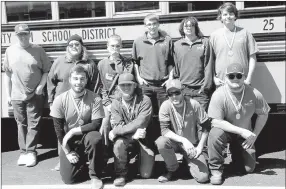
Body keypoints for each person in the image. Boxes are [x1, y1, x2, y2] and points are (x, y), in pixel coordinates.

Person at [207, 63, 270, 185]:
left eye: (238, 76)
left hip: (244, 136)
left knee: (249, 169)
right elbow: (215, 121)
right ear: (225, 78)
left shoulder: (254, 93)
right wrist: (241, 131)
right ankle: (216, 170)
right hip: (226, 132)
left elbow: (263, 114)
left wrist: (255, 135)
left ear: (244, 77)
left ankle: (236, 154)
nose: (235, 79)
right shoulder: (219, 94)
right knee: (214, 134)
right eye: (231, 76)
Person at [47, 34, 100, 171]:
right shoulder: (59, 62)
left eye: (77, 44)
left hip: (84, 104)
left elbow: (95, 84)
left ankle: (85, 158)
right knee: (62, 131)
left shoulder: (89, 64)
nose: (74, 47)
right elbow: (50, 82)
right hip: (63, 104)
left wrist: (95, 102)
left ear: (82, 47)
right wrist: (51, 101)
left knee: (84, 132)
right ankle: (63, 158)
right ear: (67, 47)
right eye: (71, 45)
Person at [3, 23, 52, 167]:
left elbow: (46, 71)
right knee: (20, 124)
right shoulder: (10, 51)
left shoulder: (38, 50)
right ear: (16, 35)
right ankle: (23, 152)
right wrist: (8, 95)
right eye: (20, 34)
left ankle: (31, 152)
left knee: (34, 123)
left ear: (30, 34)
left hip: (35, 93)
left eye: (25, 34)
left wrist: (41, 86)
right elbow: (7, 74)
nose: (23, 37)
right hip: (17, 94)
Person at [50, 65, 105, 189]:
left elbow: (96, 124)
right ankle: (88, 163)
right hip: (69, 140)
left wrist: (74, 131)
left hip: (87, 135)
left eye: (82, 79)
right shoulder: (60, 100)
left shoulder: (95, 98)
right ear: (70, 80)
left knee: (95, 138)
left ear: (86, 80)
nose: (78, 82)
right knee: (69, 179)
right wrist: (68, 152)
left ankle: (95, 175)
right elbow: (59, 131)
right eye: (75, 79)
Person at [155, 79, 211, 183]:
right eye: (170, 94)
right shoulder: (165, 105)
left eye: (177, 92)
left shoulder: (194, 104)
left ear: (183, 91)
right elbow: (164, 130)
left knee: (203, 178)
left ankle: (188, 162)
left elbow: (206, 127)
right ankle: (172, 168)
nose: (174, 96)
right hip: (175, 143)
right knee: (161, 141)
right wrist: (184, 140)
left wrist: (200, 147)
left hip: (192, 145)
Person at [108, 73, 155, 187]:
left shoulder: (145, 100)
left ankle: (138, 158)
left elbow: (140, 123)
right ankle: (121, 174)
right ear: (118, 87)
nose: (126, 87)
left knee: (145, 174)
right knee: (118, 143)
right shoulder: (115, 103)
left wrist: (115, 132)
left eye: (129, 84)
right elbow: (117, 125)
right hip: (128, 138)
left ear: (135, 85)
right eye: (122, 85)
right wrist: (131, 135)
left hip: (144, 139)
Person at [132, 13, 174, 116]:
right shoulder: (138, 42)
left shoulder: (167, 40)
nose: (152, 27)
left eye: (154, 24)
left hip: (162, 85)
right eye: (149, 24)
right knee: (145, 115)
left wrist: (170, 78)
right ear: (145, 26)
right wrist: (138, 78)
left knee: (164, 114)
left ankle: (164, 132)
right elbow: (135, 62)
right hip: (146, 85)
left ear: (158, 24)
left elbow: (171, 61)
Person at [209, 2, 258, 88]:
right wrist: (214, 78)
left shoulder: (245, 33)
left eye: (231, 14)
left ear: (235, 16)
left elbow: (252, 57)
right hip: (222, 82)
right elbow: (210, 60)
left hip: (242, 81)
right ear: (221, 17)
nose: (228, 17)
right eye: (225, 14)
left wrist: (249, 78)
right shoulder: (214, 36)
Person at [97, 34, 133, 149]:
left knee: (124, 121)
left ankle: (126, 147)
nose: (115, 49)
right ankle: (105, 149)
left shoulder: (127, 63)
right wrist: (106, 103)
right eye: (112, 46)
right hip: (108, 100)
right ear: (107, 47)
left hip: (123, 99)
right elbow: (101, 86)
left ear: (121, 46)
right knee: (105, 121)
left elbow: (125, 80)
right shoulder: (102, 64)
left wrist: (118, 61)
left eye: (117, 46)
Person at [172, 16, 215, 110]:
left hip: (201, 90)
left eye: (192, 25)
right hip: (184, 90)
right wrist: (178, 87)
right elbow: (175, 68)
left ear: (196, 27)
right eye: (186, 26)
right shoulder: (177, 45)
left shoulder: (205, 42)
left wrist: (205, 87)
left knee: (201, 121)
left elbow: (209, 65)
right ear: (182, 28)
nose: (189, 27)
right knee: (186, 120)